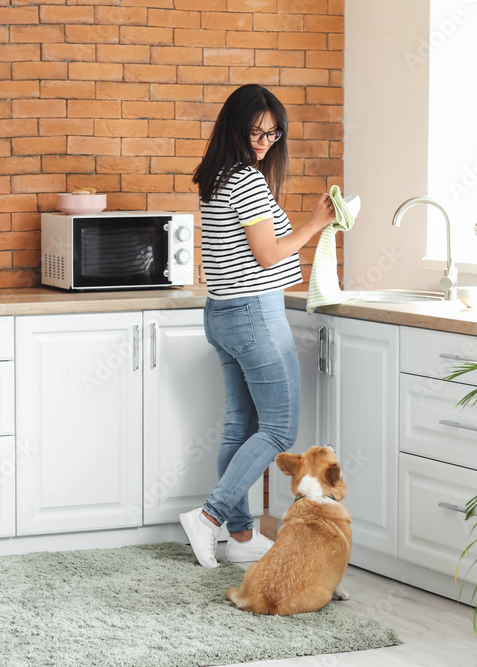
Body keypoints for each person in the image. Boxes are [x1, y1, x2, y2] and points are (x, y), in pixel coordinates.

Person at [179, 84, 336, 568]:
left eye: (273, 132)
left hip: (222, 313)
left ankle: (242, 536)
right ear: (236, 127)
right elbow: (267, 254)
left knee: (240, 427)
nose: (265, 141)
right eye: (255, 131)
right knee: (279, 429)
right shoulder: (247, 179)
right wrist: (314, 224)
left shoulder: (216, 175)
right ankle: (209, 518)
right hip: (254, 314)